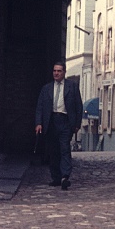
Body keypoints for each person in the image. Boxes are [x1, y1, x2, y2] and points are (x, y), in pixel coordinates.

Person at [35, 60, 83, 190]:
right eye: (54, 71)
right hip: (50, 121)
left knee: (64, 149)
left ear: (64, 72)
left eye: (59, 71)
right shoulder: (46, 88)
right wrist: (39, 123)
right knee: (53, 150)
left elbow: (78, 106)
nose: (56, 73)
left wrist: (77, 123)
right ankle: (56, 177)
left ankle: (65, 176)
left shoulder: (71, 87)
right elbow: (40, 106)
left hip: (65, 121)